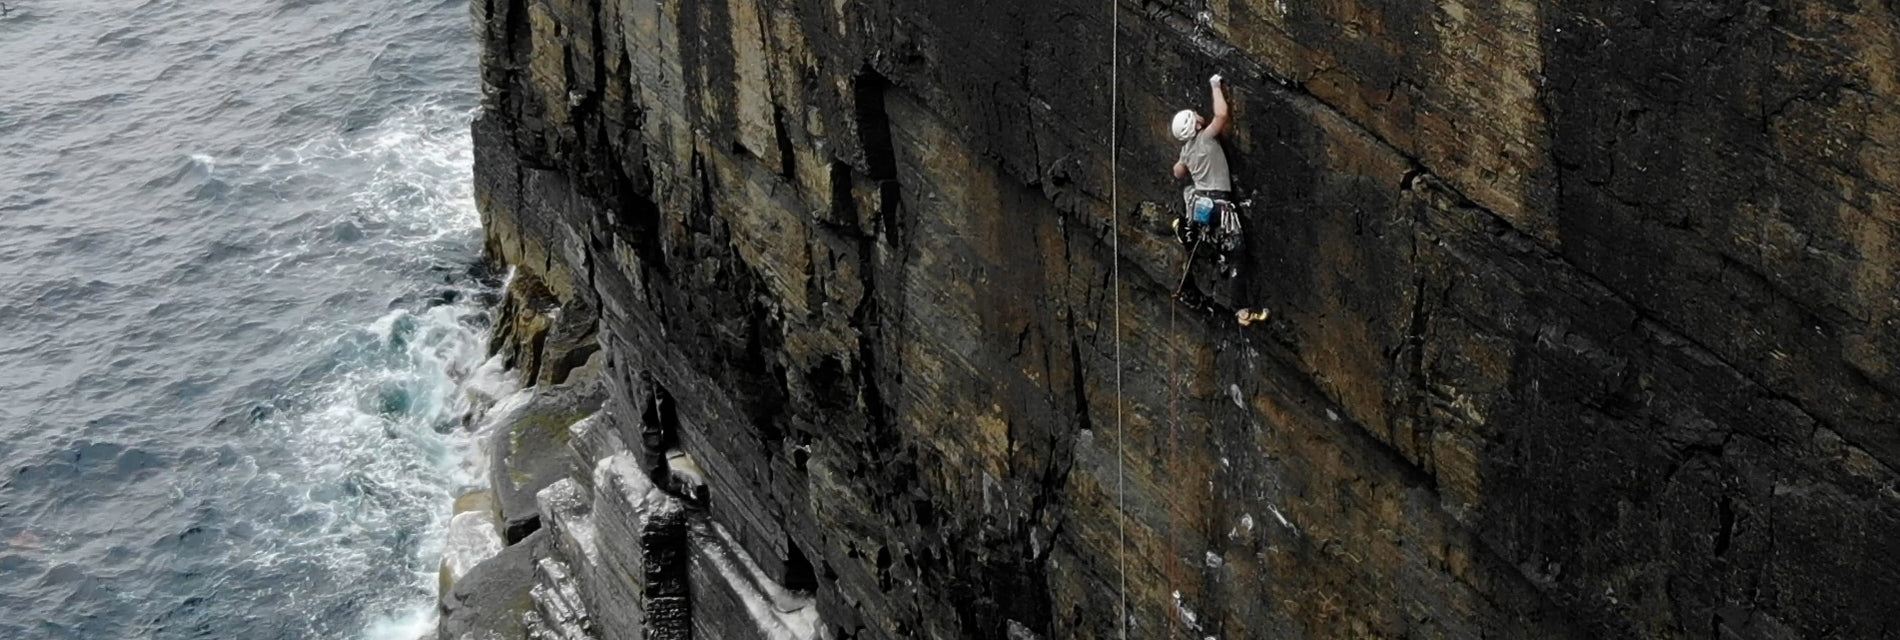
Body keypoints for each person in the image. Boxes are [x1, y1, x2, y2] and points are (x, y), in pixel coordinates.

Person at [1171, 74, 1235, 248]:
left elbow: (1178, 172)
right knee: (1230, 244)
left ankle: (1189, 230)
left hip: (1201, 201)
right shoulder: (1206, 138)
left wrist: (1184, 162)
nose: (1198, 115)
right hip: (1219, 201)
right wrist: (1215, 86)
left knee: (1188, 191)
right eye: (1195, 116)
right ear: (1196, 125)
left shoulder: (1186, 151)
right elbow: (1221, 115)